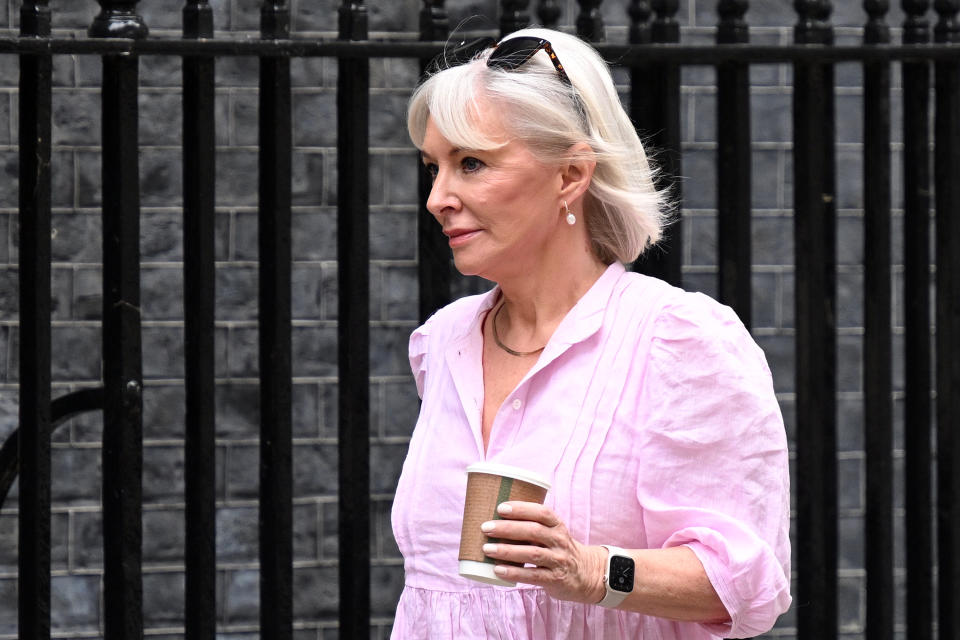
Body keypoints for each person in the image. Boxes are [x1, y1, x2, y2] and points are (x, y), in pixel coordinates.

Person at [390, 27, 791, 639]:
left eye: (471, 163)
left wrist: (594, 571)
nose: (438, 198)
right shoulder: (443, 342)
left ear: (570, 175)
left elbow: (745, 585)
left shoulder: (675, 340)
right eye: (434, 168)